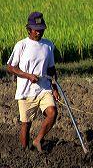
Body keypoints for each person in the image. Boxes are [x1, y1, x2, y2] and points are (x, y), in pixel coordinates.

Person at [6, 12, 60, 152]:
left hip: (44, 88)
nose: (39, 33)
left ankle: (38, 140)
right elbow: (10, 67)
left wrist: (54, 87)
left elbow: (51, 69)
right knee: (26, 125)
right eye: (37, 30)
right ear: (29, 30)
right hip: (26, 91)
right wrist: (27, 75)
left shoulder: (48, 45)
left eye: (41, 30)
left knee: (52, 112)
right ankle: (24, 152)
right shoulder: (21, 45)